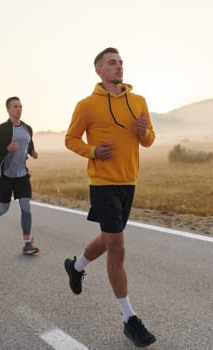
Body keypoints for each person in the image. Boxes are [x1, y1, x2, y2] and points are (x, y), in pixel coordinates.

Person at [64, 47, 156, 347]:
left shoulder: (138, 101)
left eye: (120, 63)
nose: (119, 67)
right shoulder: (87, 105)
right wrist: (92, 151)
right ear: (99, 70)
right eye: (112, 63)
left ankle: (76, 266)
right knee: (116, 244)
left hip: (129, 180)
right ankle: (129, 318)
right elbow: (70, 138)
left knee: (108, 238)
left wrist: (143, 132)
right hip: (102, 181)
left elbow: (149, 141)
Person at [0, 96, 40, 255]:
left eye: (20, 106)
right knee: (3, 207)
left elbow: (28, 143)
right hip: (5, 174)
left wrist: (32, 152)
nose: (18, 109)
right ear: (8, 109)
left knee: (26, 207)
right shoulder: (1, 129)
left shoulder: (27, 128)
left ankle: (26, 243)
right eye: (15, 106)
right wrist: (7, 148)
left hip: (21, 175)